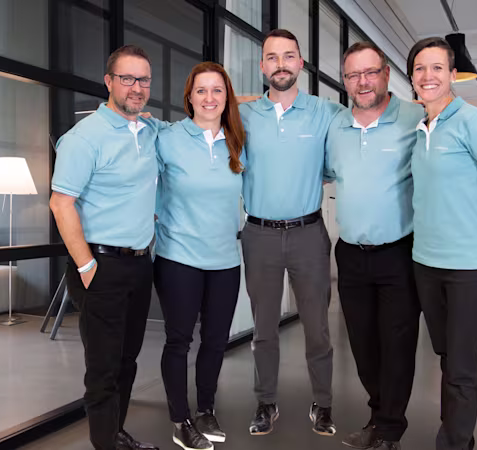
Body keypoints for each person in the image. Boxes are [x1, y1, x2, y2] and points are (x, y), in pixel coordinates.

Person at [408, 37, 477, 450]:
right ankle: (455, 430)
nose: (428, 76)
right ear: (412, 78)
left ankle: (455, 442)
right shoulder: (419, 125)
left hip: (469, 266)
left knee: (461, 361)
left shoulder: (473, 121)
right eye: (420, 68)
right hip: (425, 262)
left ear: (453, 75)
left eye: (437, 67)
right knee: (446, 354)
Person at [49, 45, 162, 450]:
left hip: (139, 264)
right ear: (109, 82)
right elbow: (61, 204)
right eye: (127, 78)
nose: (136, 87)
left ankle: (116, 434)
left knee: (127, 360)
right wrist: (85, 267)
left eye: (143, 79)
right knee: (103, 368)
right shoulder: (84, 137)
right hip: (100, 265)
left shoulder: (149, 130)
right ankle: (105, 443)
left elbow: (203, 116)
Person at [238, 29, 344, 437]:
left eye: (288, 56)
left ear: (300, 63)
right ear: (262, 66)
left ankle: (324, 403)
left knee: (317, 327)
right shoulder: (244, 116)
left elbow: (374, 112)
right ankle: (265, 402)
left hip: (308, 234)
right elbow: (204, 111)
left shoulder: (326, 112)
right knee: (264, 328)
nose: (280, 64)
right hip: (259, 235)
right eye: (272, 57)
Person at [323, 42, 424, 450]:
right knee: (363, 346)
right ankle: (378, 417)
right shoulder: (336, 126)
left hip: (398, 252)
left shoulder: (415, 116)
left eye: (369, 72)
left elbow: (454, 121)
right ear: (345, 81)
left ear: (385, 74)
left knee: (397, 346)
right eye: (353, 75)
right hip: (350, 254)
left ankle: (389, 430)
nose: (362, 82)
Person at [153, 62, 246, 450]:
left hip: (225, 260)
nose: (210, 98)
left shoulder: (238, 142)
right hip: (178, 258)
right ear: (189, 97)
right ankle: (181, 420)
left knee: (215, 341)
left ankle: (206, 409)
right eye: (201, 90)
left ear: (227, 98)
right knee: (179, 341)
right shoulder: (167, 138)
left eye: (217, 90)